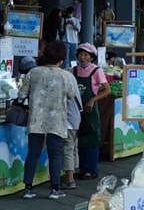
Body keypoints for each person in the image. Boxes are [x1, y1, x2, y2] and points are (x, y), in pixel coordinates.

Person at [17, 41, 80, 200]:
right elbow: (71, 94)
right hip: (57, 121)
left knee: (33, 153)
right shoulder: (65, 75)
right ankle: (55, 189)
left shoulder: (33, 72)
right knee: (55, 155)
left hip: (36, 119)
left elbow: (21, 95)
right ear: (61, 59)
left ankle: (28, 188)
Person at [70, 43, 111, 181]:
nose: (83, 57)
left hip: (90, 109)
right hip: (76, 109)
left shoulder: (96, 71)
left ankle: (91, 169)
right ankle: (82, 168)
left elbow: (107, 90)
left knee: (92, 137)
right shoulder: (73, 70)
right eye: (80, 54)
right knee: (79, 137)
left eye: (86, 55)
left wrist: (93, 100)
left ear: (92, 57)